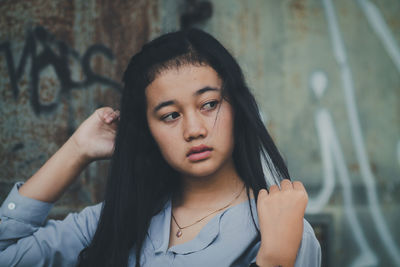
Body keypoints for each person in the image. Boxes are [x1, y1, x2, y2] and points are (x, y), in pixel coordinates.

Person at [0, 28, 321, 267]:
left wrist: (274, 261)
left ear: (237, 106)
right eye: (170, 115)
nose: (194, 130)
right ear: (148, 129)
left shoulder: (278, 228)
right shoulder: (116, 218)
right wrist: (77, 150)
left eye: (209, 104)